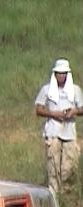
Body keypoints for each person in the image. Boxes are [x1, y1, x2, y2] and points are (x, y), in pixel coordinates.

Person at [35, 58, 83, 192]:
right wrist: (54, 114)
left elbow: (82, 108)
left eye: (64, 73)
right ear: (55, 74)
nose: (61, 76)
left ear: (68, 74)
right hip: (53, 131)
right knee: (53, 167)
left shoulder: (75, 90)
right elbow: (38, 109)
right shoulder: (47, 89)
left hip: (69, 132)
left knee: (70, 167)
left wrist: (74, 111)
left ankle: (66, 195)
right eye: (59, 73)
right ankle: (54, 196)